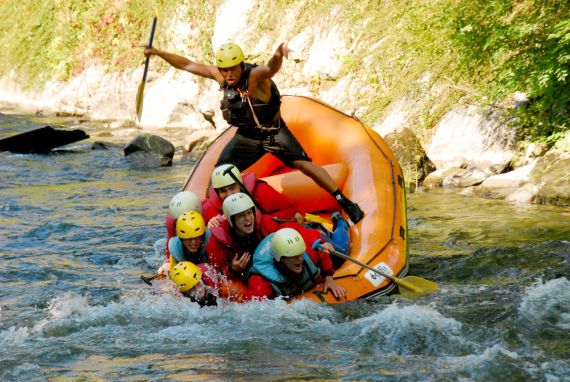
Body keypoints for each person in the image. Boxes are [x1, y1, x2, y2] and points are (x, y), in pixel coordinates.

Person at [144, 42, 364, 224]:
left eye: (233, 69)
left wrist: (278, 54)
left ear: (241, 65)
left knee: (305, 166)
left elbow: (270, 69)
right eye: (224, 69)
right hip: (247, 136)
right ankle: (220, 219)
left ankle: (345, 202)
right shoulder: (221, 77)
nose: (229, 74)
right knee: (217, 175)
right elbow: (188, 64)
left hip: (273, 132)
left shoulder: (256, 77)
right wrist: (158, 52)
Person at [247, 227, 347, 299]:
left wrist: (329, 278)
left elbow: (323, 254)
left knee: (341, 249)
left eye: (300, 253)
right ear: (281, 259)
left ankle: (341, 223)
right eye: (294, 255)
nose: (300, 259)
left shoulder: (308, 252)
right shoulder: (261, 281)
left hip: (307, 232)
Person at [203, 163, 304, 227]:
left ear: (241, 185)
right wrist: (211, 223)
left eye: (232, 188)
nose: (229, 194)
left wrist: (264, 221)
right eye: (223, 191)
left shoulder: (261, 192)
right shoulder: (212, 207)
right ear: (217, 193)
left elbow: (297, 213)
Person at [157, 210, 210, 275]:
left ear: (202, 236)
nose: (193, 242)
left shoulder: (209, 241)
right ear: (181, 239)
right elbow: (173, 272)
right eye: (189, 239)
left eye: (197, 237)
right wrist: (167, 270)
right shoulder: (175, 248)